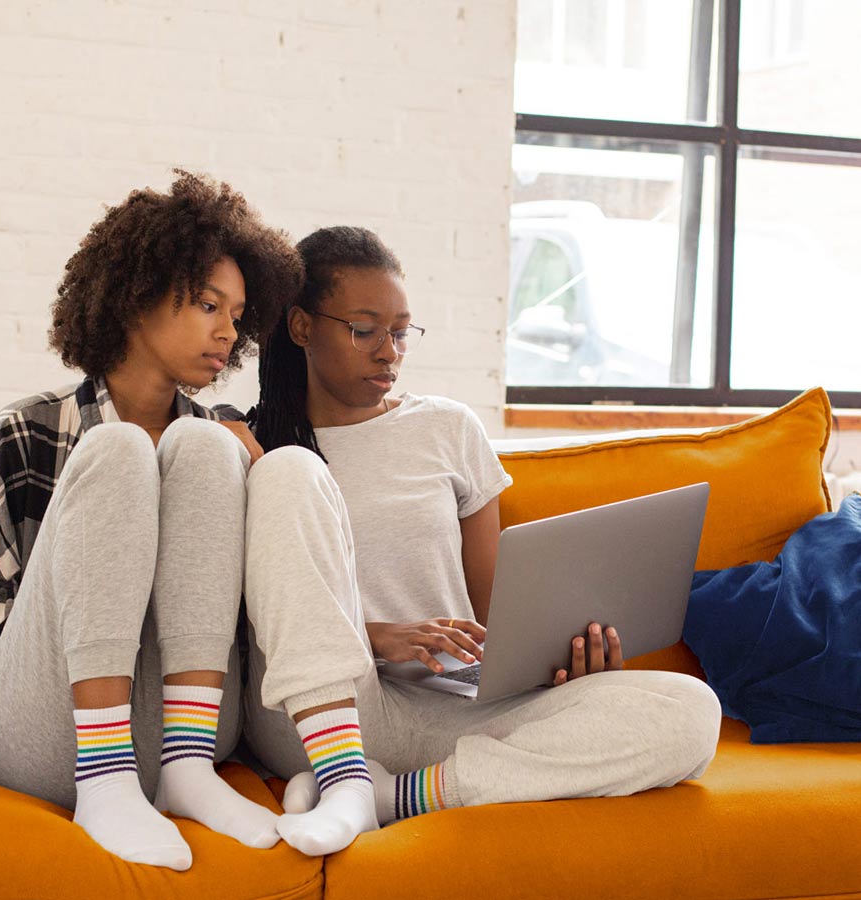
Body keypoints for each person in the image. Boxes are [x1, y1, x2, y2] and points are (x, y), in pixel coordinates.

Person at [242, 225, 723, 854]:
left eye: (401, 332)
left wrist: (559, 658)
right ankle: (345, 772)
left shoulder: (447, 427)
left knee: (689, 711)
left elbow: (496, 611)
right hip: (332, 709)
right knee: (289, 476)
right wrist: (371, 637)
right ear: (302, 328)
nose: (388, 352)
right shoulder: (258, 449)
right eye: (365, 330)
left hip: (451, 704)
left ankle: (395, 796)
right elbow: (253, 622)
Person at [0, 171, 304, 869]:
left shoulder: (222, 443)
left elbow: (262, 624)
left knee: (206, 443)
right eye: (209, 303)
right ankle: (106, 780)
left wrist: (260, 475)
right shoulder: (31, 431)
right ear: (138, 294)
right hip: (42, 718)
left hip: (183, 731)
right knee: (116, 449)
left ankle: (183, 774)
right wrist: (86, 597)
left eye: (237, 315)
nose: (226, 330)